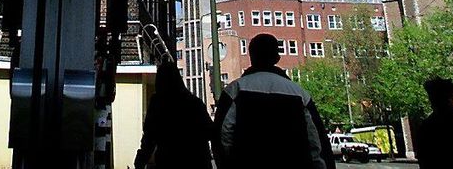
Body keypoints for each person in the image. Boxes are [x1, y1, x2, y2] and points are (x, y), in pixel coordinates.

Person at [213, 33, 335, 169]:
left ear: (251, 56)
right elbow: (316, 142)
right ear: (277, 57)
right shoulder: (299, 94)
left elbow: (222, 137)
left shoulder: (234, 90)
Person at [132, 62, 213, 169]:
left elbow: (149, 135)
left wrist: (141, 159)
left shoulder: (158, 103)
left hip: (168, 160)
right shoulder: (194, 103)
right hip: (197, 160)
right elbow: (210, 132)